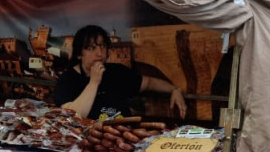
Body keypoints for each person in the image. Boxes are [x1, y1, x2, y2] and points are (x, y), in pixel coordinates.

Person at [51, 24, 186, 120]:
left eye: (103, 46)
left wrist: (174, 89)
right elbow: (74, 116)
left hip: (121, 137)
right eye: (91, 48)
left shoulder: (117, 71)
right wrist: (94, 82)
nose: (99, 53)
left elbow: (149, 82)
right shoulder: (68, 79)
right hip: (88, 141)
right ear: (79, 54)